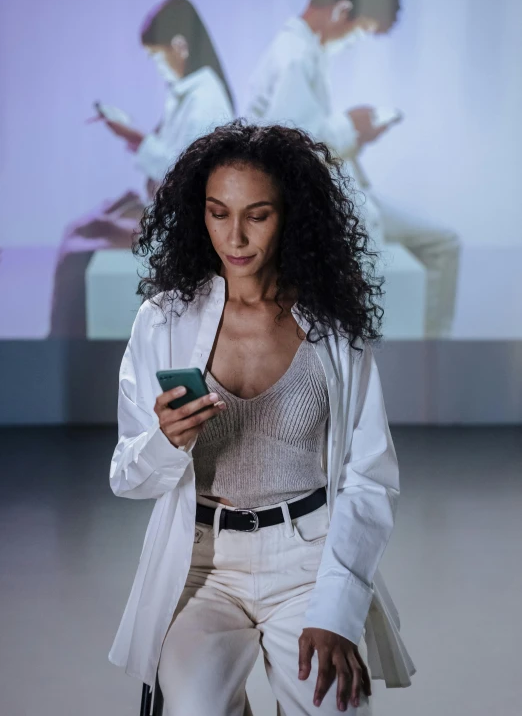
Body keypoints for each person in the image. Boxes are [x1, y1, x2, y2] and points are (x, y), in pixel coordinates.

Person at [108, 121, 416, 715]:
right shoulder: (163, 321)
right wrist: (168, 443)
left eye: (258, 214)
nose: (236, 236)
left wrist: (336, 608)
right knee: (193, 707)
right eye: (218, 212)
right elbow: (128, 477)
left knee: (335, 705)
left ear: (290, 217)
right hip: (203, 566)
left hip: (309, 558)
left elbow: (370, 476)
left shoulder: (333, 329)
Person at [246, 0, 461, 338]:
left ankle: (430, 353)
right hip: (313, 213)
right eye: (361, 30)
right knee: (439, 248)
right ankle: (430, 357)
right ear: (343, 11)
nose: (356, 40)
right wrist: (349, 126)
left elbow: (305, 135)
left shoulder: (305, 52)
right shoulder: (295, 55)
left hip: (334, 198)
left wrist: (354, 133)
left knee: (441, 244)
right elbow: (290, 148)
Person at [48, 0, 234, 337]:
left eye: (155, 55)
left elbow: (188, 178)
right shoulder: (189, 93)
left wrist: (135, 137)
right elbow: (176, 161)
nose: (156, 65)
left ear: (179, 46)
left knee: (79, 238)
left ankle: (62, 347)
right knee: (89, 226)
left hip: (181, 229)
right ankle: (62, 345)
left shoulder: (205, 100)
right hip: (169, 214)